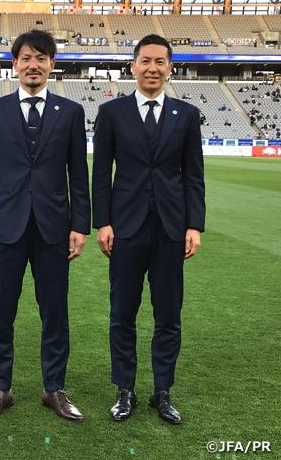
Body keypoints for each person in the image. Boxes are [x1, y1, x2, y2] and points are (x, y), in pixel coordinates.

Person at [0, 30, 91, 422]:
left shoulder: (71, 113)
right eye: (25, 57)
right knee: (0, 312)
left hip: (55, 227)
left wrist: (80, 225)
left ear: (51, 64)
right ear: (15, 64)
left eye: (40, 57)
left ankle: (54, 389)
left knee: (54, 312)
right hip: (5, 225)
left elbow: (79, 175)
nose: (33, 64)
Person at [92, 34, 205, 425]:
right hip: (125, 227)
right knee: (122, 313)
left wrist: (194, 225)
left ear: (170, 67)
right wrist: (102, 221)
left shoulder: (187, 115)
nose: (152, 68)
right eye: (145, 61)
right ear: (133, 66)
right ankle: (125, 390)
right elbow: (100, 173)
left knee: (168, 316)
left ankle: (162, 391)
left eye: (160, 62)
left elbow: (194, 175)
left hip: (172, 228)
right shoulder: (111, 113)